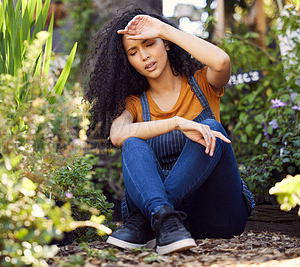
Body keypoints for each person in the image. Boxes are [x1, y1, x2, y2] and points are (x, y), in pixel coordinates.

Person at [83, 8, 255, 255]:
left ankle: (150, 217)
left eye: (149, 44)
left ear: (167, 44)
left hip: (216, 214)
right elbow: (117, 135)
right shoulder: (134, 103)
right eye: (133, 52)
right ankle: (164, 218)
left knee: (212, 128)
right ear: (127, 62)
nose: (144, 56)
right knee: (132, 142)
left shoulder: (201, 82)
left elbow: (222, 62)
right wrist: (175, 123)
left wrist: (163, 29)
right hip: (167, 227)